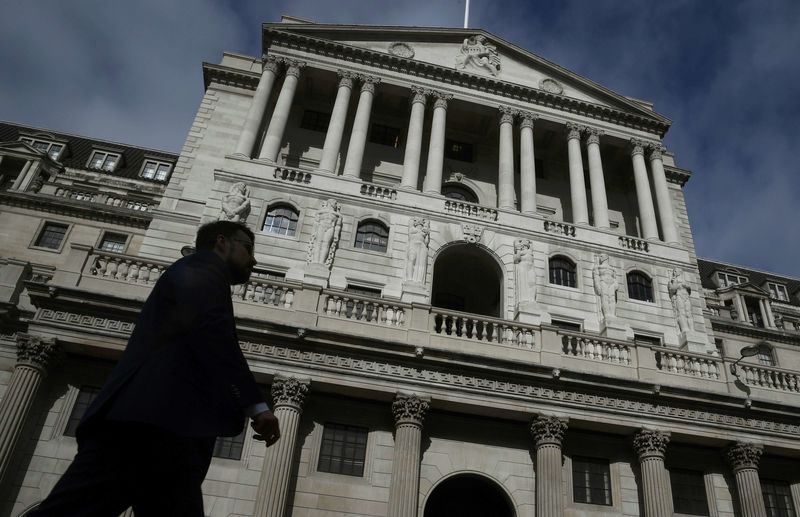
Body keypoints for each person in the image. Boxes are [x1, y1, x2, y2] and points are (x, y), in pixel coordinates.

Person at [30, 220, 280, 516]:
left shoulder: (199, 274)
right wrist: (255, 404)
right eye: (248, 248)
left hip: (164, 430)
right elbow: (213, 333)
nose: (254, 260)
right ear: (222, 242)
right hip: (149, 427)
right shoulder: (202, 268)